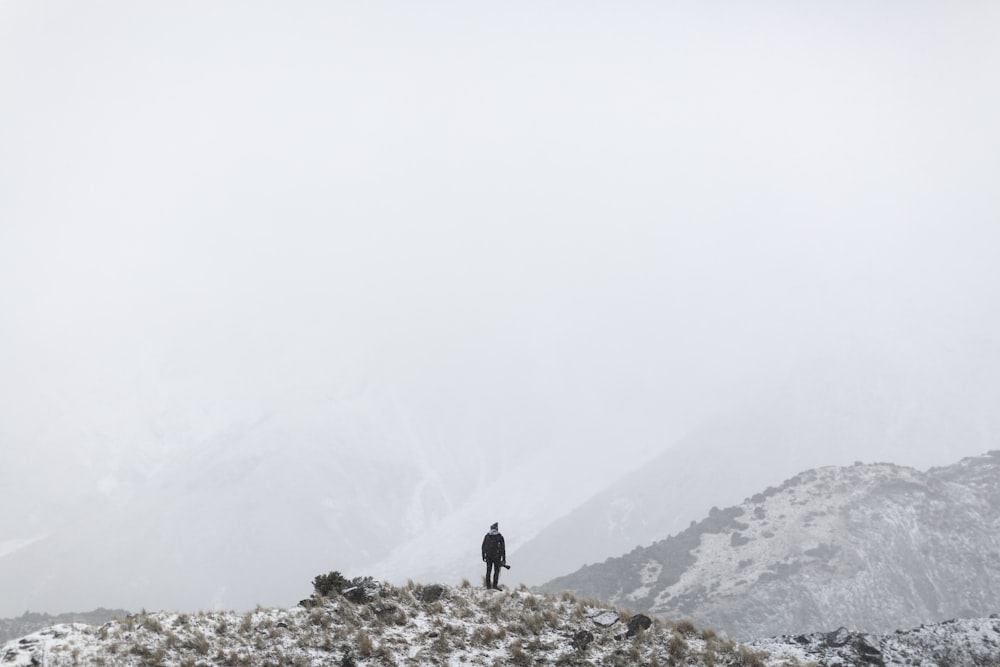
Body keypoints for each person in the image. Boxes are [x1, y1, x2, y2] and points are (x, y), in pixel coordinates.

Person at [481, 522, 506, 589]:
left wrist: (483, 556)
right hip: (497, 557)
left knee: (488, 571)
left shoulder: (487, 536)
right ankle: (495, 586)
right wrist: (504, 559)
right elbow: (503, 548)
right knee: (496, 571)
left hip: (488, 557)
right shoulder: (500, 537)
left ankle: (488, 586)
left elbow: (483, 546)